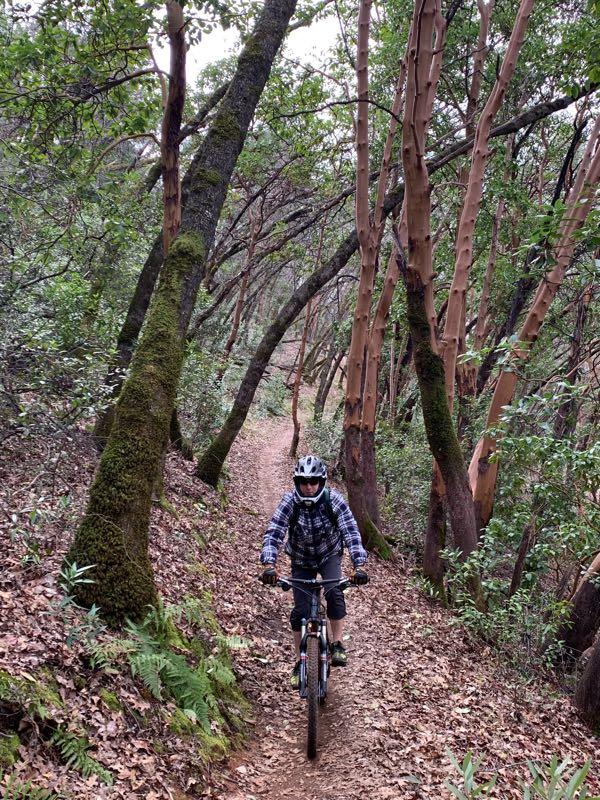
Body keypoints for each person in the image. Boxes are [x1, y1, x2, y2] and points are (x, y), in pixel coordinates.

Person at [259, 454, 369, 688]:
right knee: (299, 610)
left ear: (322, 482)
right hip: (300, 559)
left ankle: (337, 643)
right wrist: (269, 564)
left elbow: (351, 532)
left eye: (314, 481)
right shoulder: (289, 502)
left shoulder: (335, 501)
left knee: (334, 593)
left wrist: (359, 565)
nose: (309, 487)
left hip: (329, 554)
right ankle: (299, 661)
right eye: (304, 482)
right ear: (297, 482)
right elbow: (274, 532)